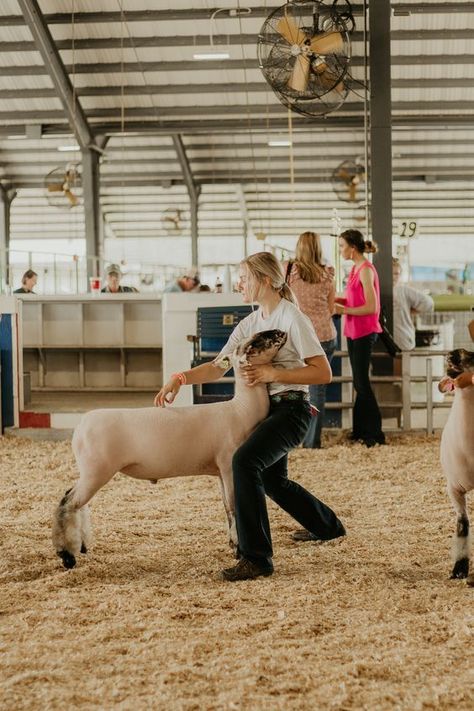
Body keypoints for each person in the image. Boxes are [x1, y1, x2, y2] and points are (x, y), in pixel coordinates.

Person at [154, 251, 345, 581]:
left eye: (245, 277)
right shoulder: (250, 323)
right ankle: (328, 526)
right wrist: (180, 377)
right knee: (272, 480)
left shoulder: (291, 318)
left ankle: (256, 557)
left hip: (292, 410)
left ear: (266, 281)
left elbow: (323, 372)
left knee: (244, 462)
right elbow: (219, 366)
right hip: (266, 412)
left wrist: (272, 373)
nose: (239, 282)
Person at [283, 231, 338, 448]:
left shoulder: (289, 269)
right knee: (317, 390)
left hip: (297, 337)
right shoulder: (328, 273)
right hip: (324, 335)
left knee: (292, 389)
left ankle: (291, 437)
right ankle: (312, 441)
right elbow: (332, 308)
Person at [334, 229, 385, 448]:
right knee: (358, 382)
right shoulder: (355, 269)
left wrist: (343, 310)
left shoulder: (365, 271)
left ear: (352, 248)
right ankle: (360, 431)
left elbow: (372, 307)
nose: (340, 250)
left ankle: (374, 433)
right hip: (354, 332)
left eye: (342, 246)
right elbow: (354, 299)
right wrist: (336, 300)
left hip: (365, 332)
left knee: (362, 383)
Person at [392, 258, 434, 351]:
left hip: (403, 341)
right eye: (390, 273)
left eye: (396, 273)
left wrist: (411, 310)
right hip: (386, 342)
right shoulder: (375, 290)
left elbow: (428, 303)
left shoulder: (404, 290)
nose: (393, 277)